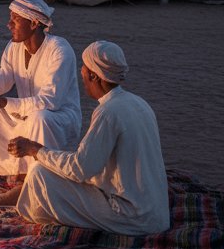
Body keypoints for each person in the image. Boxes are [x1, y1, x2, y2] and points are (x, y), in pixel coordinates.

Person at [10, 41, 170, 235]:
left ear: (94, 75)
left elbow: (81, 169)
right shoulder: (139, 103)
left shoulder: (108, 111)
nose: (81, 74)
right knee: (51, 167)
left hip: (132, 216)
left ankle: (33, 216)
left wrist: (35, 150)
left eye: (84, 69)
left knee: (39, 174)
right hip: (156, 214)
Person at [0, 0, 81, 206]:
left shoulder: (60, 49)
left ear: (33, 23)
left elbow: (50, 101)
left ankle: (29, 186)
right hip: (24, 113)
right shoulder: (14, 47)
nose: (8, 24)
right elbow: (1, 81)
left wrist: (2, 102)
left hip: (58, 119)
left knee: (39, 118)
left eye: (15, 19)